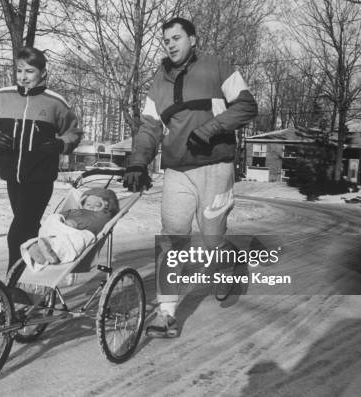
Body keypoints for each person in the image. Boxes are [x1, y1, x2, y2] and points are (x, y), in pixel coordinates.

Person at [122, 17, 258, 338]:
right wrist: (138, 162)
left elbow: (247, 106)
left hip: (216, 165)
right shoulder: (158, 84)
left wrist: (211, 128)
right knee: (172, 237)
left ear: (193, 40)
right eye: (166, 39)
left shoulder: (217, 68)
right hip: (177, 170)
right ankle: (166, 312)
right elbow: (149, 129)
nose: (170, 44)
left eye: (177, 37)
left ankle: (226, 264)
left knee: (212, 237)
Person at [0, 47, 83, 272]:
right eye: (19, 71)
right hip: (12, 176)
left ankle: (11, 286)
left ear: (43, 73)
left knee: (17, 232)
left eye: (30, 71)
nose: (23, 77)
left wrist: (61, 143)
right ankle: (37, 284)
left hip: (40, 178)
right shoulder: (1, 97)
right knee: (29, 230)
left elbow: (74, 133)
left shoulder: (56, 102)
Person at [21, 188, 120, 268]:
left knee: (77, 239)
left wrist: (76, 223)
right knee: (52, 218)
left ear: (105, 206)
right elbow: (64, 214)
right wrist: (61, 219)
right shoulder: (77, 211)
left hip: (80, 232)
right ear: (83, 203)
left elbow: (96, 222)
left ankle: (54, 253)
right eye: (88, 204)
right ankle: (42, 246)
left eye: (97, 205)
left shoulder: (102, 216)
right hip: (61, 229)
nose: (91, 207)